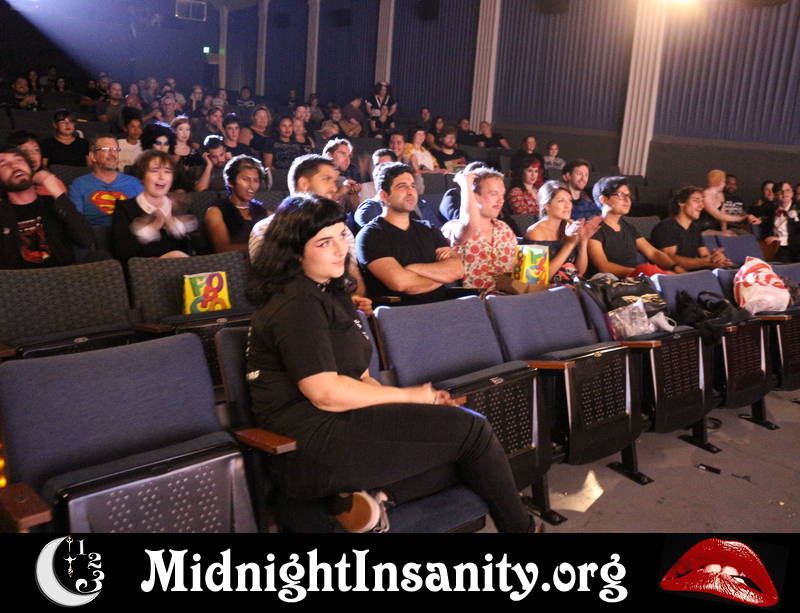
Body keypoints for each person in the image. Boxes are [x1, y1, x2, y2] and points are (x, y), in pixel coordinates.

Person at [246, 193, 535, 533]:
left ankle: (370, 501)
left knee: (468, 456)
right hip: (307, 442)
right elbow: (325, 393)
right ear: (296, 252)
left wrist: (414, 406)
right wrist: (410, 396)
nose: (340, 249)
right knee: (473, 433)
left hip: (345, 420)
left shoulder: (331, 291)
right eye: (324, 243)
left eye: (341, 235)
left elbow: (361, 378)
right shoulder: (295, 302)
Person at [249, 154, 369, 302]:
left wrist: (354, 302)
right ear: (304, 183)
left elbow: (355, 279)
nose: (334, 188)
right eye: (326, 179)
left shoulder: (339, 229)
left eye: (334, 181)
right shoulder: (266, 229)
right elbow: (271, 287)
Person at [356, 161, 464, 305]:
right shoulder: (370, 236)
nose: (410, 191)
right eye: (402, 186)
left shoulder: (428, 229)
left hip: (443, 305)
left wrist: (413, 268)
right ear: (384, 195)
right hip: (402, 312)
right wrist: (442, 276)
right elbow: (401, 283)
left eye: (412, 186)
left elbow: (457, 270)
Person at [0, 147, 94, 269]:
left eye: (19, 160)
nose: (14, 165)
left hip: (64, 275)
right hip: (20, 279)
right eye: (3, 164)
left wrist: (58, 194)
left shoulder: (55, 204)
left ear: (31, 168)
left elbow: (86, 240)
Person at [588, 176, 684, 277]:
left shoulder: (629, 228)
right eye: (621, 195)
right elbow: (604, 267)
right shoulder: (593, 228)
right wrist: (643, 273)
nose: (627, 200)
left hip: (636, 279)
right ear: (604, 199)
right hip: (611, 282)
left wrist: (674, 267)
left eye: (628, 196)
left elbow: (653, 253)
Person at [111, 150, 197, 262]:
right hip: (145, 270)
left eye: (167, 171)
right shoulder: (124, 208)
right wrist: (153, 227)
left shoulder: (180, 207)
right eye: (154, 171)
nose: (161, 177)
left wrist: (175, 226)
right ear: (142, 177)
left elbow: (197, 248)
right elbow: (122, 253)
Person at [440, 167, 517, 291]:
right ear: (475, 197)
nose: (501, 200)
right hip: (475, 301)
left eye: (502, 195)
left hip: (508, 299)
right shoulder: (453, 227)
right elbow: (470, 224)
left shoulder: (505, 229)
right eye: (494, 194)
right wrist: (466, 185)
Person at [525, 180, 600, 282]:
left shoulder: (568, 227)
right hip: (547, 288)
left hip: (570, 285)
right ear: (547, 205)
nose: (568, 205)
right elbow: (535, 279)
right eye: (561, 201)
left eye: (570, 200)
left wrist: (583, 241)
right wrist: (569, 244)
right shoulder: (535, 232)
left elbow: (579, 272)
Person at [650, 186, 733, 270]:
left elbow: (704, 255)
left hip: (692, 273)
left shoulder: (694, 228)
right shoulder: (666, 227)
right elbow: (670, 259)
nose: (701, 206)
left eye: (702, 201)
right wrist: (708, 261)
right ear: (681, 202)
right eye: (696, 200)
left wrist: (716, 259)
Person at [68, 135, 143, 226]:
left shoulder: (134, 183)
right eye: (106, 149)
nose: (113, 154)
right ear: (93, 156)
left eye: (115, 149)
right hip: (93, 232)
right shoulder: (79, 185)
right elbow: (76, 223)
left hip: (127, 231)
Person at [205, 155, 269, 253]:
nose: (251, 185)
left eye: (255, 180)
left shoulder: (263, 212)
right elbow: (223, 249)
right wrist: (265, 247)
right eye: (245, 179)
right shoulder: (215, 212)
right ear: (230, 182)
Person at [5, 131, 67, 198]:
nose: (32, 155)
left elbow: (65, 204)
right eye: (24, 151)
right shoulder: (6, 184)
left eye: (36, 150)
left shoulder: (53, 183)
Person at [699, 169, 759, 235]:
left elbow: (723, 214)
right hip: (704, 228)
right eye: (724, 182)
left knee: (731, 235)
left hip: (716, 227)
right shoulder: (705, 195)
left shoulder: (720, 194)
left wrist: (724, 230)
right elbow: (718, 215)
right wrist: (741, 218)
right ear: (718, 181)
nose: (724, 184)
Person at [762, 181, 800, 262]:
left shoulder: (798, 209)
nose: (784, 193)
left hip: (795, 248)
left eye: (787, 190)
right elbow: (766, 227)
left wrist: (780, 239)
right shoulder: (771, 210)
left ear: (792, 193)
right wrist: (759, 221)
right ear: (775, 195)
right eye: (780, 191)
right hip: (776, 248)